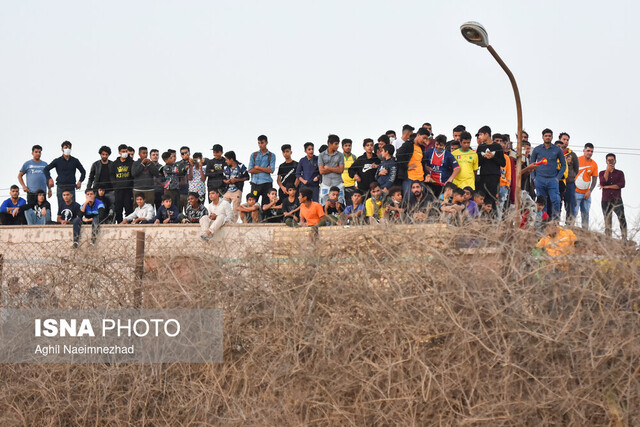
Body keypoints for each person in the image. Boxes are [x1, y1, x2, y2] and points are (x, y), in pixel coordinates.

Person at [529, 128, 566, 220]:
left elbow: (564, 165)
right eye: (546, 136)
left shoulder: (557, 149)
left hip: (552, 179)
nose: (547, 137)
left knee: (556, 200)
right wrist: (534, 177)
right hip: (539, 179)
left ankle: (555, 222)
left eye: (549, 136)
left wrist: (557, 178)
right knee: (541, 202)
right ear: (542, 137)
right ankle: (542, 222)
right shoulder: (537, 149)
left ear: (552, 137)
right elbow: (531, 164)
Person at [44, 140, 86, 209]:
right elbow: (46, 169)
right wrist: (49, 178)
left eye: (69, 148)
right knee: (61, 208)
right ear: (62, 149)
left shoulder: (75, 161)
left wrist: (80, 181)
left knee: (73, 207)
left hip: (71, 186)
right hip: (61, 186)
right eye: (65, 147)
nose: (67, 149)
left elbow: (83, 171)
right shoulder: (57, 161)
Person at [476, 126, 505, 210]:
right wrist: (483, 157)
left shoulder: (497, 147)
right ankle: (482, 219)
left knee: (492, 199)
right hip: (483, 176)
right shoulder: (481, 147)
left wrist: (493, 157)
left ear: (487, 134)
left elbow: (503, 163)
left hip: (494, 177)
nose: (479, 137)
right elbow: (478, 163)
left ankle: (493, 219)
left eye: (481, 134)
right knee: (482, 198)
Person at [599, 153, 626, 240]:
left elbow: (621, 184)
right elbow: (602, 182)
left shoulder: (620, 173)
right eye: (609, 160)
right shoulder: (602, 173)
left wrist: (607, 187)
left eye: (612, 160)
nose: (611, 162)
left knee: (621, 218)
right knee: (607, 220)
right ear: (606, 161)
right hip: (605, 200)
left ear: (615, 161)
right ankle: (608, 239)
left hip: (617, 200)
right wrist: (607, 170)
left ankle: (624, 238)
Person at [397, 127, 430, 198]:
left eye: (426, 139)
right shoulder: (408, 144)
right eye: (424, 138)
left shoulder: (422, 148)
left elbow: (422, 164)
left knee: (421, 202)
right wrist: (406, 167)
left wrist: (427, 174)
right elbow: (398, 155)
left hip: (421, 178)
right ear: (418, 135)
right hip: (409, 178)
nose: (424, 140)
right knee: (409, 201)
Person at [574, 143, 598, 229]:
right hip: (575, 192)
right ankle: (569, 230)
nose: (590, 153)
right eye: (588, 151)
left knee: (586, 214)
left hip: (586, 193)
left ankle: (585, 232)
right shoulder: (577, 160)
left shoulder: (594, 164)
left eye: (591, 151)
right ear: (584, 150)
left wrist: (590, 191)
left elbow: (595, 179)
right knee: (574, 213)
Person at [248, 135, 276, 207]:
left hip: (266, 183)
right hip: (255, 183)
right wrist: (265, 169)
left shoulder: (271, 155)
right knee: (252, 204)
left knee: (266, 205)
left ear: (266, 143)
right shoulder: (254, 155)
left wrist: (257, 167)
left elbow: (271, 170)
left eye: (262, 143)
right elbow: (250, 170)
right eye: (259, 143)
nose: (260, 145)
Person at [222, 151, 249, 222]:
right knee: (223, 207)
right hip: (227, 190)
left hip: (237, 190)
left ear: (231, 159)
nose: (226, 161)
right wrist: (226, 181)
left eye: (227, 159)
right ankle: (224, 222)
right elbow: (223, 178)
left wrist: (236, 180)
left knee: (235, 210)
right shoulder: (225, 167)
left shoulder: (241, 166)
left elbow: (247, 177)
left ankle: (233, 225)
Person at [318, 134, 345, 205]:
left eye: (338, 144)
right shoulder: (321, 155)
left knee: (340, 205)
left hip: (338, 183)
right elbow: (321, 171)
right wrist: (336, 168)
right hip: (326, 184)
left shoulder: (340, 155)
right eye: (336, 144)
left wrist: (327, 167)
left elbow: (341, 170)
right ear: (330, 144)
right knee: (324, 205)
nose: (338, 146)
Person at [111, 144, 134, 223]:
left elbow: (133, 175)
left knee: (129, 208)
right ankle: (120, 224)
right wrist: (115, 185)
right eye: (123, 151)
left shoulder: (131, 162)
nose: (125, 153)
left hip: (128, 190)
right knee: (118, 208)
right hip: (118, 190)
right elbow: (111, 175)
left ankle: (129, 223)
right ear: (119, 152)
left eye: (126, 151)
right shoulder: (114, 164)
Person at [560, 133, 579, 224]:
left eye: (567, 140)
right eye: (564, 139)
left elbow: (576, 169)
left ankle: (569, 225)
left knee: (570, 205)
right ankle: (555, 224)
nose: (565, 141)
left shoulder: (572, 155)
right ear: (560, 139)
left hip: (569, 183)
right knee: (557, 203)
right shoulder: (554, 152)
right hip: (558, 182)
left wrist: (570, 176)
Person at [497, 137, 512, 220]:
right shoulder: (492, 156)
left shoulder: (506, 158)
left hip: (503, 186)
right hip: (494, 185)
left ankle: (498, 226)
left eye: (501, 142)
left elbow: (509, 172)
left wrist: (507, 184)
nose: (500, 144)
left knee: (500, 207)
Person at [341, 139, 357, 206]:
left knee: (351, 205)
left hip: (351, 185)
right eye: (346, 145)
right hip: (341, 185)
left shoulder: (355, 158)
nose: (348, 147)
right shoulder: (338, 158)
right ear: (342, 147)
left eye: (349, 146)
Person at [176, 146, 192, 214]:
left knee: (190, 213)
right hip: (180, 192)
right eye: (183, 153)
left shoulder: (194, 162)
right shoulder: (177, 164)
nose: (185, 155)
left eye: (186, 153)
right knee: (179, 213)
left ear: (189, 153)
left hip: (191, 192)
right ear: (180, 155)